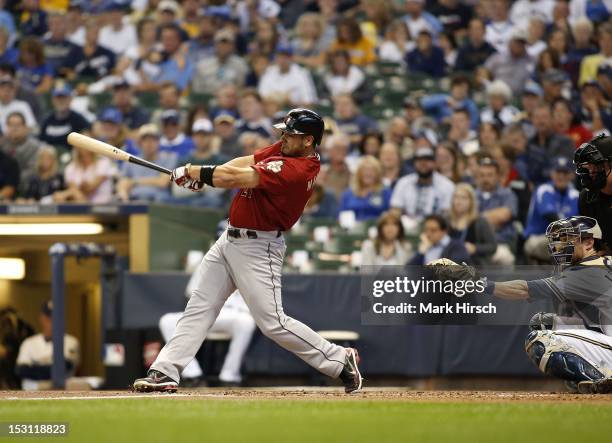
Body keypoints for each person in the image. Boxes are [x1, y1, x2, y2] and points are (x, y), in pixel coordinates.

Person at [133, 108, 363, 394]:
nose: (283, 137)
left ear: (308, 140)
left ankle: (340, 359)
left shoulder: (296, 169)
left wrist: (197, 172)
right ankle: (165, 371)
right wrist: (205, 177)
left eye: (291, 134)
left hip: (259, 246)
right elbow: (245, 162)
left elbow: (236, 178)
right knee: (198, 307)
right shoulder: (287, 149)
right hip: (229, 239)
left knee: (273, 323)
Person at [481, 216, 612, 393]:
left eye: (567, 240)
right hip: (607, 337)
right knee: (544, 323)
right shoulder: (602, 263)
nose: (559, 246)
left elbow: (523, 289)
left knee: (541, 341)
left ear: (589, 243)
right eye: (559, 241)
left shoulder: (586, 271)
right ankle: (598, 376)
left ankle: (601, 382)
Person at [159, 273, 256, 386]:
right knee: (167, 321)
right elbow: (191, 291)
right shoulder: (209, 260)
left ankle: (230, 377)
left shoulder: (247, 263)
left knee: (246, 322)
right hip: (204, 312)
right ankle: (192, 375)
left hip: (232, 313)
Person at [524, 157, 579, 263]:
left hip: (565, 239)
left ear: (572, 175)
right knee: (562, 243)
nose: (561, 176)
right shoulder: (543, 189)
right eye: (558, 172)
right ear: (552, 173)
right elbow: (551, 217)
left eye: (565, 172)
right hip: (537, 238)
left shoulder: (575, 195)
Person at [16, 300, 80, 391]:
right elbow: (21, 370)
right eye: (48, 317)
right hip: (31, 393)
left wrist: (34, 368)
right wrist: (50, 368)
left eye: (55, 317)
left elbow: (64, 367)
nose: (51, 321)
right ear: (41, 318)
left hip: (60, 393)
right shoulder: (28, 343)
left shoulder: (71, 341)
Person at [391, 146, 455, 222]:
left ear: (435, 163)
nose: (423, 164)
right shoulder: (403, 182)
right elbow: (395, 210)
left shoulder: (447, 185)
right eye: (419, 160)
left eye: (427, 160)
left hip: (436, 227)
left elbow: (447, 213)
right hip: (407, 227)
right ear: (414, 163)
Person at [475, 156, 518, 265]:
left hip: (500, 244)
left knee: (505, 258)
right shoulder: (472, 195)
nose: (486, 179)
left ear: (498, 176)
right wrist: (492, 218)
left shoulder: (507, 194)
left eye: (490, 175)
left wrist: (478, 219)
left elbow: (504, 215)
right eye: (482, 175)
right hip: (476, 245)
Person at [116, 124, 175, 202]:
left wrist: (134, 182)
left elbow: (163, 182)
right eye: (145, 139)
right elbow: (123, 182)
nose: (149, 143)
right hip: (134, 199)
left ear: (158, 142)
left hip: (157, 200)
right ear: (140, 143)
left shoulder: (168, 158)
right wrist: (122, 193)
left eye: (153, 139)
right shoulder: (131, 160)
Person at [575, 134, 612, 250]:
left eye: (598, 165)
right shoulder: (586, 197)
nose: (592, 171)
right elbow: (594, 248)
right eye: (590, 166)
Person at [448, 183, 497, 265]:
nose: (459, 201)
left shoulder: (480, 222)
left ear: (471, 201)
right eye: (456, 197)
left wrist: (475, 248)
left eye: (463, 198)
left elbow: (492, 246)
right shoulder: (446, 220)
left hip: (472, 264)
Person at [40, 82, 90, 151]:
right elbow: (41, 142)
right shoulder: (46, 120)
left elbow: (86, 141)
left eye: (64, 97)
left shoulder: (79, 120)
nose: (61, 101)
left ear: (70, 99)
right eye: (58, 98)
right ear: (53, 100)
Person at [338, 155, 391, 221]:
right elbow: (341, 216)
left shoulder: (385, 193)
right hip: (352, 229)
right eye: (364, 170)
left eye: (372, 170)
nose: (368, 173)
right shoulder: (347, 194)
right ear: (359, 173)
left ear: (377, 173)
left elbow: (389, 217)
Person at [0, 111, 39, 185]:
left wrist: (12, 179)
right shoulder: (2, 144)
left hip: (24, 185)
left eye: (18, 125)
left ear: (25, 127)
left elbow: (34, 170)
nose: (14, 128)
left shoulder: (34, 146)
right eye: (11, 125)